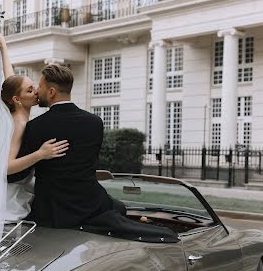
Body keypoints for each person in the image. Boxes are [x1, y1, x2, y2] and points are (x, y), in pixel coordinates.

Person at [9, 62, 178, 242]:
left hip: (52, 210)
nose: (37, 91)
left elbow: (18, 174)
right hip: (90, 203)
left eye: (40, 87)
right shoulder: (95, 122)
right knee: (118, 207)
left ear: (51, 92)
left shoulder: (36, 126)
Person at [0, 31, 69, 221]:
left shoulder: (15, 107)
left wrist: (4, 47)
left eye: (35, 87)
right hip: (10, 195)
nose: (36, 92)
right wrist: (40, 154)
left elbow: (10, 79)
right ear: (17, 99)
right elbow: (5, 167)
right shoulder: (19, 123)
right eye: (30, 90)